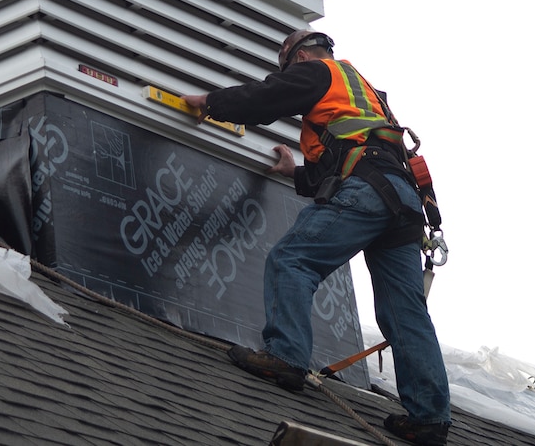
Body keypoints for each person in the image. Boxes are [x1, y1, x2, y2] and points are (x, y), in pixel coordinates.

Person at [182, 30, 451, 446]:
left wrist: (213, 103)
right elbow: (349, 153)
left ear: (301, 56)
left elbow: (266, 99)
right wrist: (298, 174)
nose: (287, 75)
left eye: (286, 66)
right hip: (401, 202)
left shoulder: (320, 72)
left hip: (368, 189)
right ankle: (430, 418)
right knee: (405, 313)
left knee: (293, 260)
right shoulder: (366, 96)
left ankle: (286, 356)